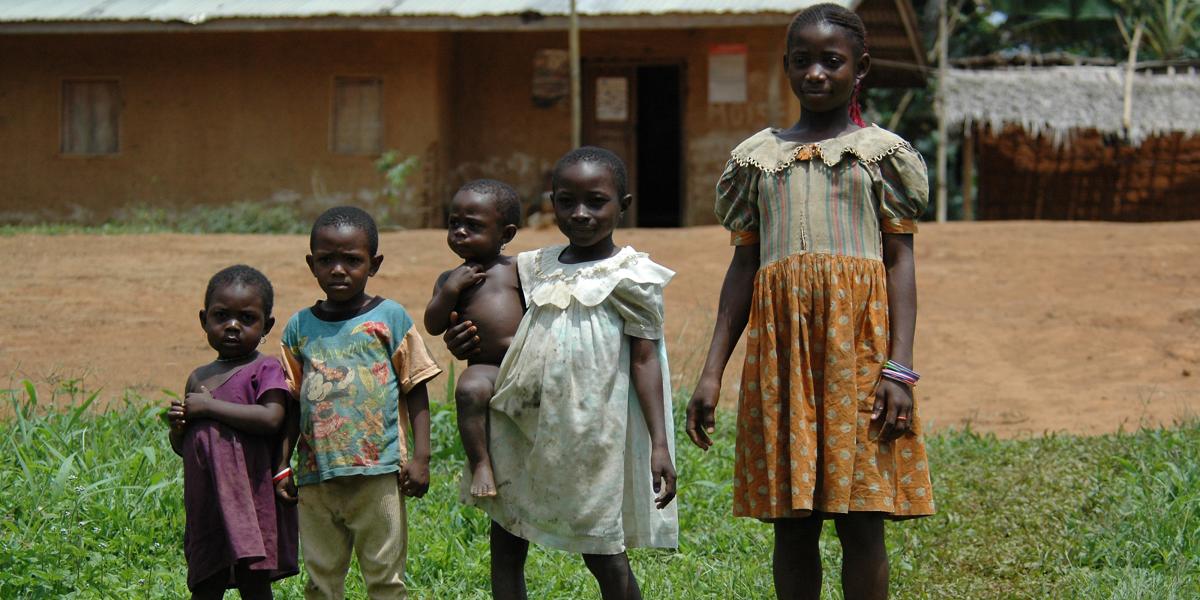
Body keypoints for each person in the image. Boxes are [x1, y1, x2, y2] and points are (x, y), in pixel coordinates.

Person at [684, 4, 935, 599]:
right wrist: (711, 373)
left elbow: (900, 262)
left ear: (861, 67)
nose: (816, 73)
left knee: (861, 520)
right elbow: (743, 267)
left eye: (832, 61)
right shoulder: (757, 159)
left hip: (858, 357)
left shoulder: (880, 154)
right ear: (787, 68)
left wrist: (898, 370)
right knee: (791, 526)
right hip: (781, 360)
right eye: (802, 61)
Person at [450, 147, 678, 600]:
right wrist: (460, 340)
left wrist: (658, 444)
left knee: (602, 546)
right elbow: (495, 327)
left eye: (596, 201)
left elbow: (645, 360)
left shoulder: (631, 275)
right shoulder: (533, 266)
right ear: (550, 202)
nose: (581, 213)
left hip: (593, 430)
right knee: (508, 531)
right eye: (566, 201)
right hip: (523, 421)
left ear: (623, 205)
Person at [274, 206, 442, 599]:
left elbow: (414, 387)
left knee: (385, 577)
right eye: (326, 260)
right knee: (321, 581)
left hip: (379, 473)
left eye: (352, 260)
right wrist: (281, 464)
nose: (338, 269)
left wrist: (421, 457)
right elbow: (292, 401)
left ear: (374, 264)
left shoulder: (390, 318)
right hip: (317, 476)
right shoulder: (299, 327)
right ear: (311, 264)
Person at [167, 265, 298, 599]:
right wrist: (179, 428)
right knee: (206, 579)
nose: (232, 326)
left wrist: (208, 408)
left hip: (249, 498)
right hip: (208, 497)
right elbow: (188, 448)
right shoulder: (198, 377)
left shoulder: (264, 368)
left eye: (247, 318)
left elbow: (272, 418)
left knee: (253, 580)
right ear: (204, 319)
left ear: (267, 325)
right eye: (221, 316)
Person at [425, 179, 525, 498]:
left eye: (473, 225)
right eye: (454, 223)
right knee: (468, 390)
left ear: (505, 234)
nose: (460, 232)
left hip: (528, 363)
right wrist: (452, 289)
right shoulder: (449, 279)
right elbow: (433, 324)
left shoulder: (518, 270)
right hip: (486, 366)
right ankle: (481, 463)